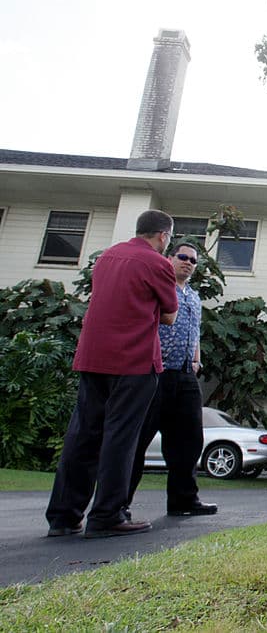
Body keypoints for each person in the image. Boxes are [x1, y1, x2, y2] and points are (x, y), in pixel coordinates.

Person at [45, 210, 178, 539]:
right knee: (121, 438)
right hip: (133, 362)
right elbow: (170, 316)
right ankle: (107, 514)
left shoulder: (107, 257)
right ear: (163, 236)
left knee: (82, 434)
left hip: (93, 358)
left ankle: (64, 516)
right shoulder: (157, 263)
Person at [127, 241, 217, 517]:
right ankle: (118, 504)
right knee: (137, 441)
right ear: (169, 258)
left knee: (188, 442)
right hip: (154, 374)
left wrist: (196, 360)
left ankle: (183, 501)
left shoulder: (193, 297)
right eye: (183, 257)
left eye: (193, 260)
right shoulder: (157, 289)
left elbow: (195, 332)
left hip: (186, 376)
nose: (188, 263)